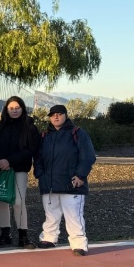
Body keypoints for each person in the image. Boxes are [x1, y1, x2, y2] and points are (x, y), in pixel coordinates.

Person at [34, 105, 96, 256]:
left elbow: (88, 156)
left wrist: (81, 176)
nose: (56, 117)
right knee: (51, 213)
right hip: (48, 184)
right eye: (53, 115)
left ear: (65, 116)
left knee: (74, 215)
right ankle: (49, 238)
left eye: (59, 114)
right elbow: (38, 158)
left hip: (72, 184)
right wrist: (40, 174)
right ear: (49, 117)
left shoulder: (78, 133)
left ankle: (79, 244)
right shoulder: (44, 136)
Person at [0, 96, 41, 248]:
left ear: (22, 108)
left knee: (18, 201)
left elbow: (31, 149)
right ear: (6, 109)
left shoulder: (30, 128)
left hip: (19, 169)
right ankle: (5, 234)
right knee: (1, 200)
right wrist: (0, 160)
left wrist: (10, 161)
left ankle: (23, 236)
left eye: (17, 108)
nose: (14, 111)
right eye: (11, 108)